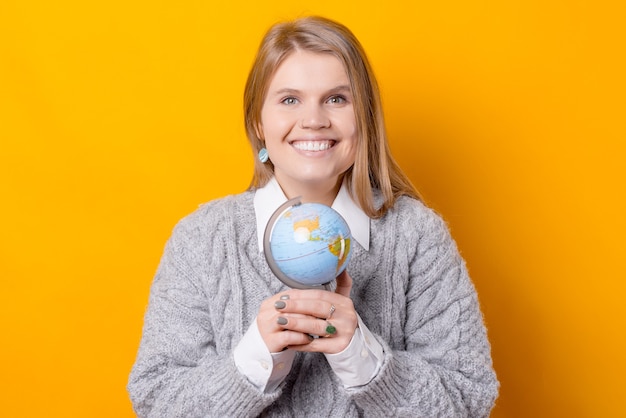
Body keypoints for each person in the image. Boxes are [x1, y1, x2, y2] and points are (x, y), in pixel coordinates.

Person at [128, 15, 499, 417]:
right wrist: (255, 359)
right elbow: (156, 403)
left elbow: (467, 401)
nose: (314, 119)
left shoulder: (417, 235)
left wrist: (362, 355)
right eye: (290, 99)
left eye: (336, 99)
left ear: (364, 120)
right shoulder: (201, 239)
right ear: (258, 122)